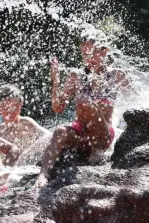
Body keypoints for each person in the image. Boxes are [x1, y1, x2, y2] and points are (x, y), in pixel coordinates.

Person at [34, 38, 131, 187]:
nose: (88, 59)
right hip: (81, 135)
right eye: (85, 55)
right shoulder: (76, 76)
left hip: (102, 136)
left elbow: (137, 100)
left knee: (86, 102)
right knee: (59, 131)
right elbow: (57, 108)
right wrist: (55, 82)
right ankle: (43, 175)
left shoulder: (117, 75)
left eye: (92, 53)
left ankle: (94, 153)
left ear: (104, 52)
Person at [0, 84, 50, 154]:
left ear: (21, 104)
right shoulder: (1, 129)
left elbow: (49, 136)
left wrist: (30, 151)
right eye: (6, 108)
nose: (11, 111)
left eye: (16, 106)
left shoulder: (25, 122)